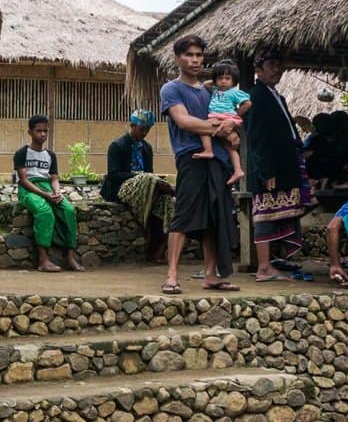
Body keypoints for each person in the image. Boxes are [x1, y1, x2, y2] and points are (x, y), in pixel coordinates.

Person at [158, 35, 237, 295]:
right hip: (191, 157)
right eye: (189, 55)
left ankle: (211, 275)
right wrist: (218, 128)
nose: (195, 60)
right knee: (183, 215)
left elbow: (231, 116)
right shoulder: (171, 89)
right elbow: (184, 121)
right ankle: (172, 275)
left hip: (219, 159)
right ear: (177, 58)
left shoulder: (209, 91)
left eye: (199, 55)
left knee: (215, 218)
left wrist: (231, 128)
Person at [242, 48, 315, 282]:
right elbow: (257, 136)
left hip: (285, 165)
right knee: (266, 212)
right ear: (258, 69)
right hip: (269, 167)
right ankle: (263, 267)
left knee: (280, 212)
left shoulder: (276, 97)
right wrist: (265, 171)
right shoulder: (256, 96)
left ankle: (273, 260)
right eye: (271, 65)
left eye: (278, 65)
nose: (277, 70)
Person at [102, 110, 175, 263]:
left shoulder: (146, 148)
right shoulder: (117, 146)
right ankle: (166, 194)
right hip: (121, 188)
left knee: (166, 202)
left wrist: (149, 180)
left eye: (147, 130)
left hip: (146, 187)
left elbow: (150, 172)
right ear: (132, 126)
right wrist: (139, 177)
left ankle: (158, 251)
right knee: (149, 178)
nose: (145, 133)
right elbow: (114, 175)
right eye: (142, 129)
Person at [13, 115, 83, 273]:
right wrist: (45, 195)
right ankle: (43, 259)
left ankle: (70, 257)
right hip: (29, 190)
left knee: (68, 210)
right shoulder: (22, 153)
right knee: (45, 212)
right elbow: (24, 180)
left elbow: (54, 178)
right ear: (30, 132)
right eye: (38, 131)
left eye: (45, 131)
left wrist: (57, 192)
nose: (43, 134)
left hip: (47, 187)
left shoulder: (50, 155)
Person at [192, 59, 251, 185]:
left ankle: (208, 150)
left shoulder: (234, 92)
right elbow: (205, 84)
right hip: (219, 118)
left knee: (203, 127)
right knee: (228, 146)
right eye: (220, 78)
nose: (223, 81)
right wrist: (215, 79)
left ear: (234, 80)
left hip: (225, 118)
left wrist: (235, 115)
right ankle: (238, 170)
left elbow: (247, 103)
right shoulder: (215, 89)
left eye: (227, 78)